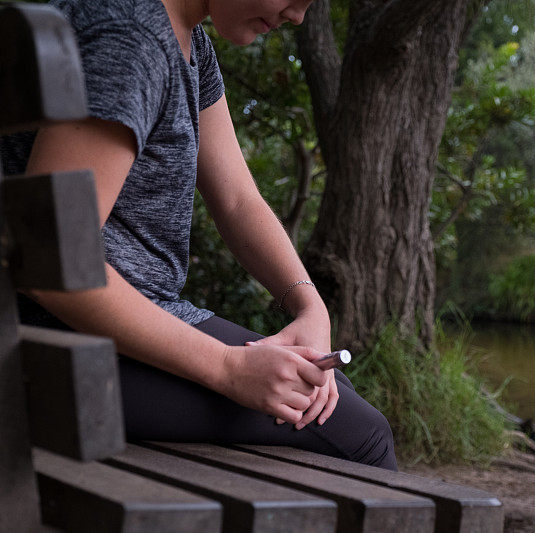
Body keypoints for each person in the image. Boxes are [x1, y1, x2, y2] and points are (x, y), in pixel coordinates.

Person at [1, 0, 398, 471]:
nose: (298, 15)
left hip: (81, 334)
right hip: (49, 343)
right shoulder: (132, 37)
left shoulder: (187, 43)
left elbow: (237, 200)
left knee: (323, 394)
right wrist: (228, 369)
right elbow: (47, 260)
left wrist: (309, 305)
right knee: (363, 436)